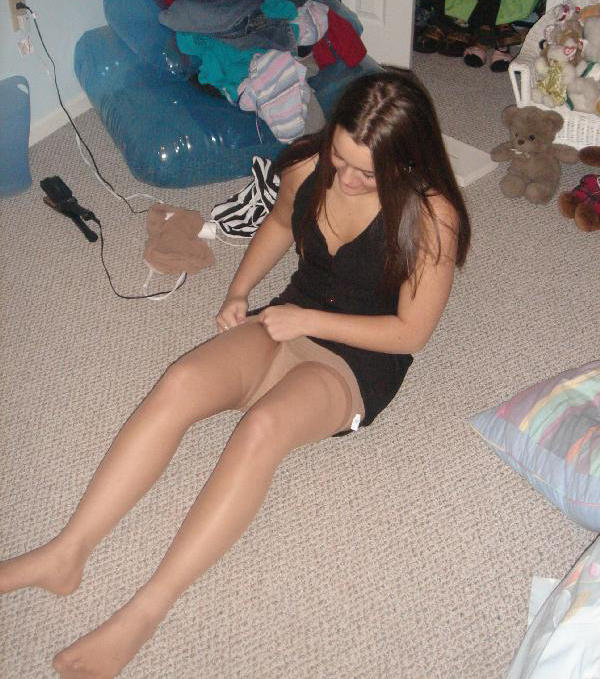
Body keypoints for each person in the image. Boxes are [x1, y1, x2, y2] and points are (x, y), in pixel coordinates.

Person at [0, 69, 470, 678]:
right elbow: (276, 224)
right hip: (287, 317)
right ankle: (66, 554)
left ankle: (145, 610)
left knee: (260, 430)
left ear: (406, 161)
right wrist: (240, 292)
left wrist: (305, 322)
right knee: (180, 382)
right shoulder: (307, 166)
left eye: (367, 172)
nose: (347, 178)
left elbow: (411, 334)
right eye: (341, 157)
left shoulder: (431, 216)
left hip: (360, 359)